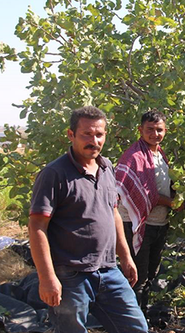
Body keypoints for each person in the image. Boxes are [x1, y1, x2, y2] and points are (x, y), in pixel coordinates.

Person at [28, 106, 148, 333]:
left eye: (99, 134)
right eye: (87, 134)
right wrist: (47, 278)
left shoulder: (107, 167)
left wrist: (125, 257)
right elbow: (37, 226)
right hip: (70, 275)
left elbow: (112, 213)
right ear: (71, 134)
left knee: (136, 328)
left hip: (108, 270)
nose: (94, 140)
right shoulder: (54, 174)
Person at [115, 110, 176, 314]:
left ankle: (140, 317)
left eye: (159, 130)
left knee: (150, 274)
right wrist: (172, 203)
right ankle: (131, 321)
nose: (155, 134)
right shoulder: (134, 157)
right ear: (140, 130)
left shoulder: (160, 155)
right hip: (136, 225)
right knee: (136, 277)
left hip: (158, 224)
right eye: (149, 129)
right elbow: (148, 195)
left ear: (165, 131)